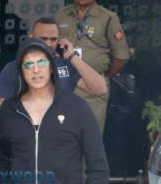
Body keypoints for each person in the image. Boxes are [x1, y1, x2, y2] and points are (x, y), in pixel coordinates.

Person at [0, 38, 109, 184]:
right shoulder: (10, 110)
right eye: (28, 65)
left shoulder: (77, 108)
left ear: (52, 66)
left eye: (41, 62)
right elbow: (0, 160)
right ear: (21, 71)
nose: (36, 70)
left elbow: (98, 164)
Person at [0, 17, 107, 129]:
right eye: (43, 39)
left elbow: (100, 89)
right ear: (31, 37)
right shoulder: (13, 68)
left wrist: (72, 57)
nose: (48, 43)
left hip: (61, 130)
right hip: (25, 132)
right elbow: (1, 116)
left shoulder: (66, 65)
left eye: (53, 39)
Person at [55, 0, 130, 132]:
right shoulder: (60, 15)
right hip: (65, 84)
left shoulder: (108, 18)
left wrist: (102, 76)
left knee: (89, 137)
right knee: (61, 134)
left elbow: (121, 56)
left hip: (93, 89)